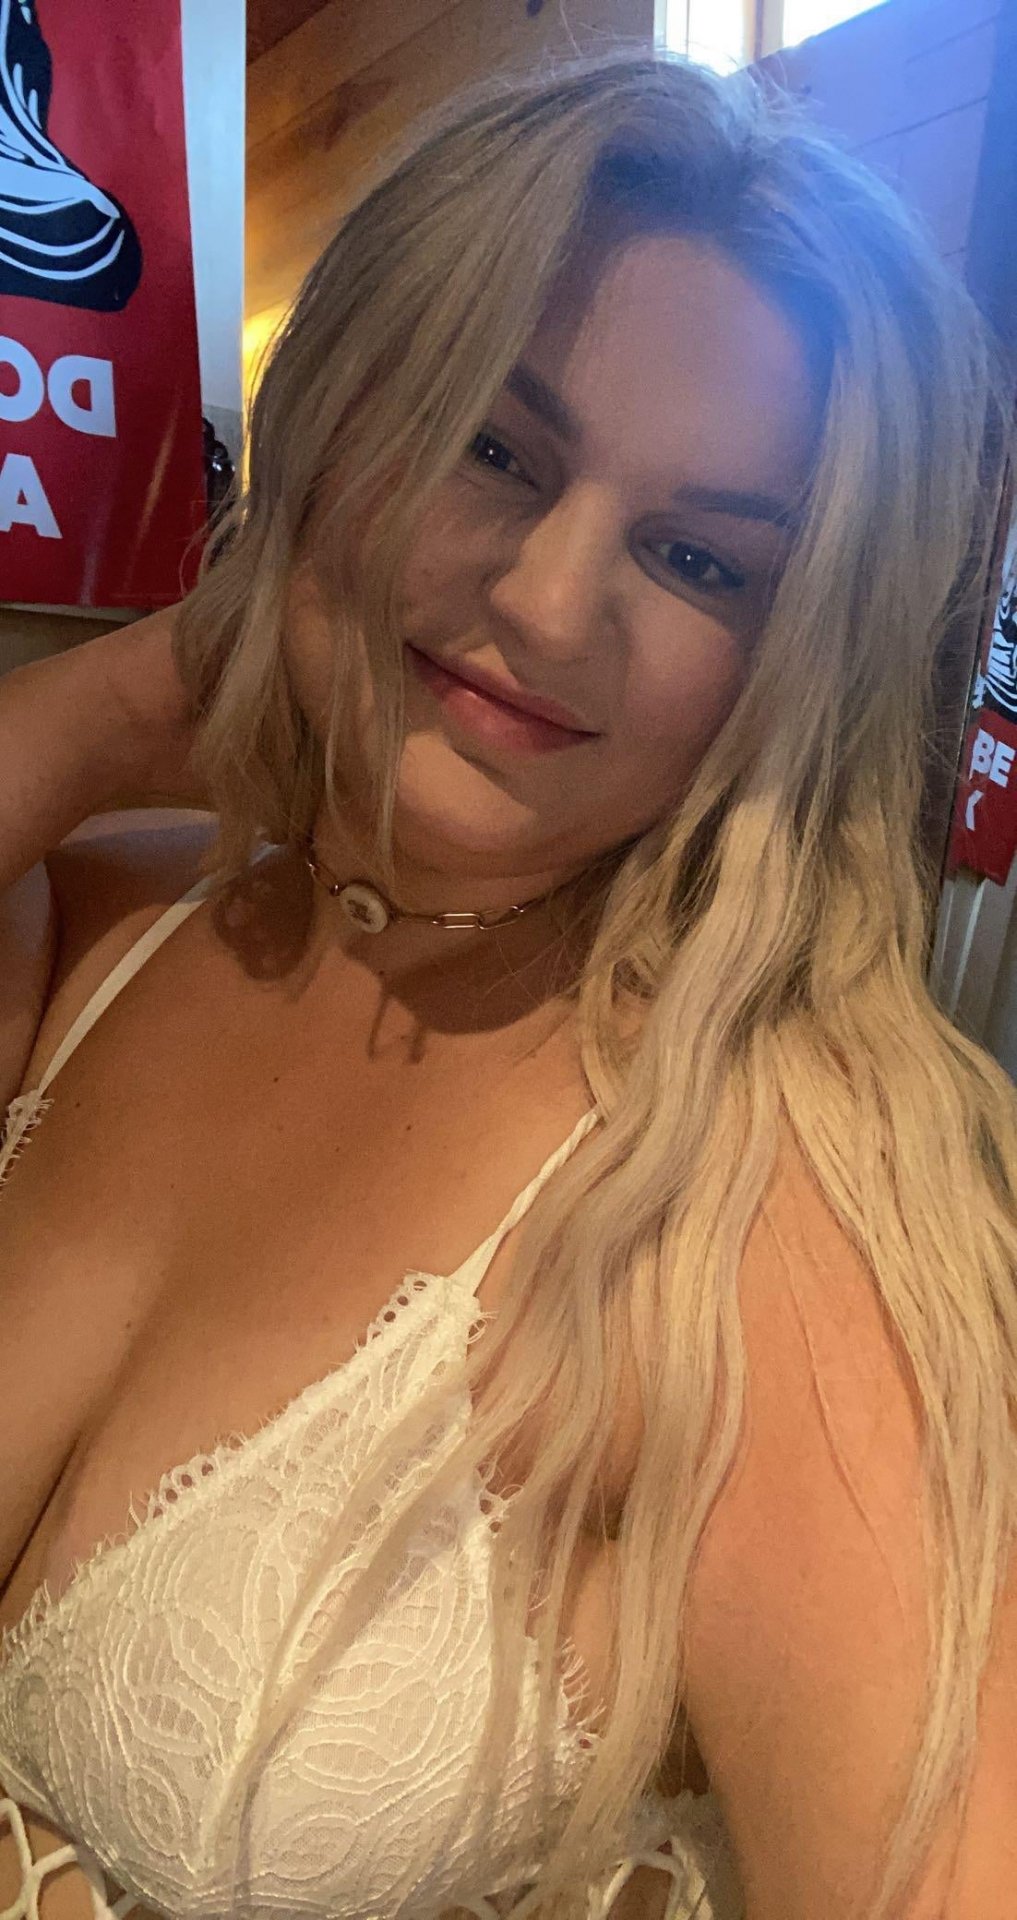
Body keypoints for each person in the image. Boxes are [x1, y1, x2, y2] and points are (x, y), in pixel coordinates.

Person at [0, 44, 1015, 1920]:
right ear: (338, 406)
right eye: (489, 444)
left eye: (697, 557)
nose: (548, 601)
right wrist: (124, 700)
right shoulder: (104, 924)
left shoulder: (763, 1212)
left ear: (795, 660)